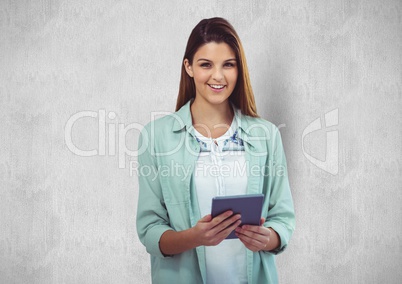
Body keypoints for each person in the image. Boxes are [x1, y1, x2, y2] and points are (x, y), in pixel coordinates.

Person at [136, 17, 295, 284]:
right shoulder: (155, 137)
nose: (218, 76)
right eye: (206, 64)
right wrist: (194, 238)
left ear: (239, 69)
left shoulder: (266, 135)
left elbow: (283, 217)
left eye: (228, 65)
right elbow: (150, 229)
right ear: (188, 67)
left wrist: (267, 238)